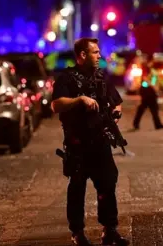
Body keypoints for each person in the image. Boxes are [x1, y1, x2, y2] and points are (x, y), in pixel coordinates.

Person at [51, 38, 130, 246]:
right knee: (77, 188)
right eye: (95, 52)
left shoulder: (102, 77)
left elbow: (117, 102)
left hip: (100, 141)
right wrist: (80, 100)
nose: (99, 56)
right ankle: (77, 233)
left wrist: (115, 113)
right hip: (77, 143)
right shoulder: (66, 78)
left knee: (108, 184)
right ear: (82, 55)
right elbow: (56, 105)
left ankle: (109, 229)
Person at [132, 62, 163, 130]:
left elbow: (153, 80)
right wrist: (154, 87)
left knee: (148, 108)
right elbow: (146, 79)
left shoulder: (151, 69)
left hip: (148, 91)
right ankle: (157, 124)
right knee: (151, 108)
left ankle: (137, 123)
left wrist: (156, 88)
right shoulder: (147, 69)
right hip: (147, 91)